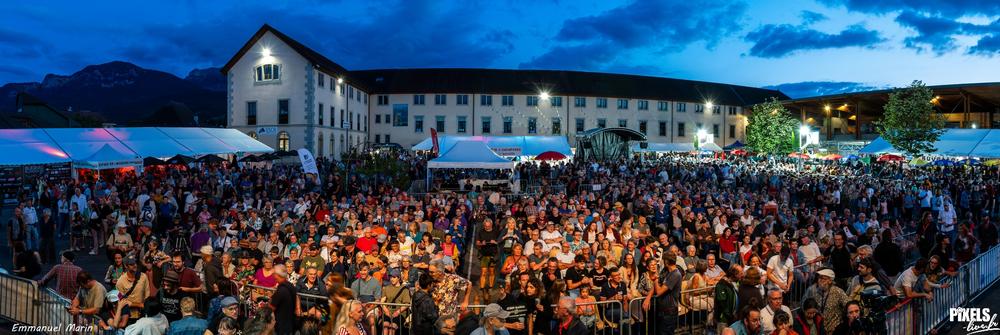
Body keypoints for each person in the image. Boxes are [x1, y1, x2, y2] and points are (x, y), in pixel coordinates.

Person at [800, 269, 849, 334]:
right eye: (819, 277)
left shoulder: (838, 292)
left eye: (823, 278)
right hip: (817, 328)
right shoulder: (812, 290)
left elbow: (848, 305)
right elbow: (803, 304)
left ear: (830, 281)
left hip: (834, 329)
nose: (820, 280)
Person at [646, 252, 682, 335]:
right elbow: (657, 286)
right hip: (662, 309)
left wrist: (655, 279)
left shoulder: (675, 274)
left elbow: (659, 291)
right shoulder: (666, 270)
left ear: (666, 261)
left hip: (670, 310)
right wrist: (648, 298)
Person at [270, 264, 297, 335]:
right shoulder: (290, 285)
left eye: (274, 273)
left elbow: (271, 307)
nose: (273, 275)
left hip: (282, 325)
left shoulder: (281, 290)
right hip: (290, 322)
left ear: (278, 275)